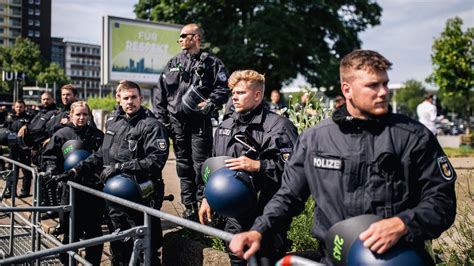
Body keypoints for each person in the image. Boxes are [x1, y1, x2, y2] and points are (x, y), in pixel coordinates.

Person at [229, 50, 457, 265]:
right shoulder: (315, 139)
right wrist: (259, 230)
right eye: (372, 85)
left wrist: (403, 224)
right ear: (347, 89)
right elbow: (288, 197)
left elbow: (441, 202)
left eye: (385, 83)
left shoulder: (414, 136)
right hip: (333, 257)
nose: (383, 92)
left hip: (399, 257)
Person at [62, 80, 169, 265]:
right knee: (118, 248)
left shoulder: (152, 125)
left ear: (141, 98)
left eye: (134, 97)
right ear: (119, 99)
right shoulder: (114, 122)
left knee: (146, 251)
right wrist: (77, 169)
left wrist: (121, 167)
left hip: (141, 196)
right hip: (115, 197)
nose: (130, 102)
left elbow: (155, 161)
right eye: (126, 98)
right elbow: (102, 155)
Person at [198, 70, 298, 265]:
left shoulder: (279, 126)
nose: (235, 97)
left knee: (263, 261)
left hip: (267, 214)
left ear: (258, 95)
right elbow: (213, 164)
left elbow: (295, 172)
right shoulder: (226, 126)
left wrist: (259, 166)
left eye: (241, 92)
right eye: (233, 92)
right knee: (236, 259)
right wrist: (207, 196)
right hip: (234, 213)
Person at [155, 23, 229, 220]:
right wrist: (164, 122)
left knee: (201, 166)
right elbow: (160, 95)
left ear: (196, 37)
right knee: (183, 166)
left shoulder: (212, 63)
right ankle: (189, 208)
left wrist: (211, 103)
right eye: (179, 37)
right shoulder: (172, 63)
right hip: (176, 124)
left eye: (183, 36)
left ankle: (207, 204)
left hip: (199, 124)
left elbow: (223, 88)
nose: (179, 40)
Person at [42, 101, 105, 265]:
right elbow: (49, 157)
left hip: (93, 190)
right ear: (71, 115)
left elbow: (104, 157)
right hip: (70, 191)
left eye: (85, 114)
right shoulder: (61, 134)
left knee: (95, 233)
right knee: (71, 232)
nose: (82, 117)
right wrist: (52, 172)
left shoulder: (98, 135)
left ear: (89, 116)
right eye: (78, 114)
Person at [4, 100, 33, 198]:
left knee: (26, 171)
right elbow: (5, 131)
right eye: (17, 106)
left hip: (24, 148)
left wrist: (26, 126)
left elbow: (33, 128)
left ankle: (25, 191)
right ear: (14, 107)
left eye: (21, 106)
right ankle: (10, 191)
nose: (19, 108)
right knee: (11, 170)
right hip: (13, 147)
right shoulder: (9, 118)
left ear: (24, 107)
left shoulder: (29, 118)